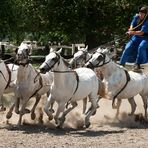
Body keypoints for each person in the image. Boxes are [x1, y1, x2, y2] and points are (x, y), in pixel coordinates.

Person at [119, 6, 148, 72]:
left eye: (142, 14)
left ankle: (139, 64)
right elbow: (132, 23)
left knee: (141, 47)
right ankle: (121, 64)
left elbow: (141, 32)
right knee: (127, 47)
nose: (140, 15)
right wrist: (131, 28)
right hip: (136, 36)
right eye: (140, 13)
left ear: (146, 15)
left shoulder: (147, 21)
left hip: (146, 38)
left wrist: (132, 32)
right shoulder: (137, 17)